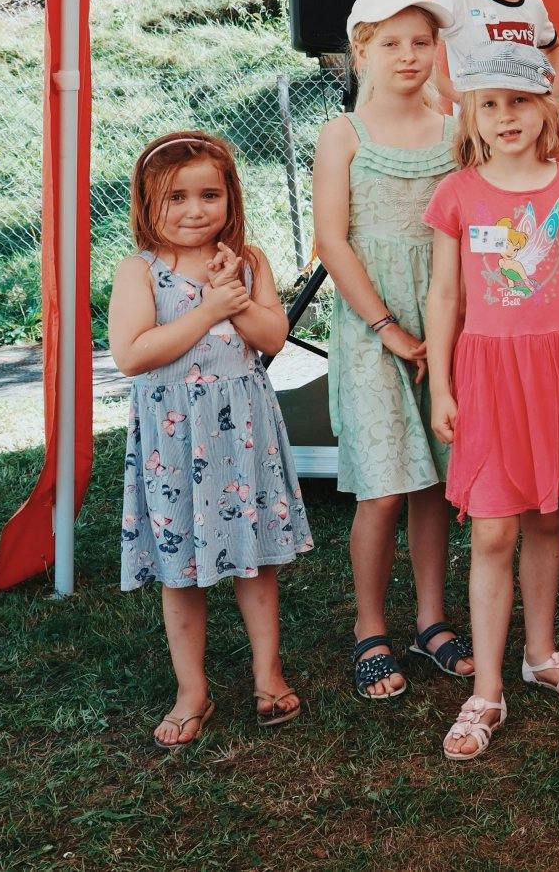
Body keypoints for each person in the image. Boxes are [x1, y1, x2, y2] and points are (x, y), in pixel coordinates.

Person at [425, 42, 559, 761]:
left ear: (546, 107)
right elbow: (446, 294)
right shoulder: (457, 194)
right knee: (494, 529)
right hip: (490, 371)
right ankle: (488, 688)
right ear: (470, 113)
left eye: (521, 101)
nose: (507, 116)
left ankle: (540, 654)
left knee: (543, 518)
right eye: (491, 103)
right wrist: (442, 382)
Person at [111, 131, 313, 748]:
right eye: (176, 197)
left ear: (230, 198)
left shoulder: (247, 262)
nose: (195, 210)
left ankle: (267, 673)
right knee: (182, 572)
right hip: (174, 444)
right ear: (148, 204)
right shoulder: (138, 271)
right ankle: (192, 688)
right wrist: (208, 308)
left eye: (209, 195)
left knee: (256, 562)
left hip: (241, 434)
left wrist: (236, 297)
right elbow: (132, 353)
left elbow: (273, 335)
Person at [313, 0, 473, 703]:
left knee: (436, 479)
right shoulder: (344, 134)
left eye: (420, 41)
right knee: (384, 486)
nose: (408, 55)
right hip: (373, 325)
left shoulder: (454, 129)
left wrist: (444, 332)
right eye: (391, 43)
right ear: (361, 50)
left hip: (445, 321)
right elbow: (332, 240)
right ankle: (369, 626)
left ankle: (432, 620)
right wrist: (385, 327)